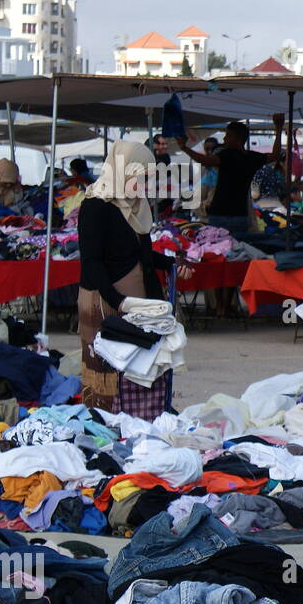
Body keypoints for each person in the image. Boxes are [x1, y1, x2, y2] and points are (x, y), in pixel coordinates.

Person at [78, 141, 192, 417]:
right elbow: (91, 262)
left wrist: (172, 263)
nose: (144, 183)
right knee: (109, 372)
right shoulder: (96, 206)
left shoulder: (135, 206)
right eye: (141, 176)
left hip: (136, 302)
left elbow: (140, 252)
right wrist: (118, 301)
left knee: (138, 366)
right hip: (105, 300)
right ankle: (107, 425)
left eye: (147, 177)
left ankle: (141, 417)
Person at [176, 114, 283, 237]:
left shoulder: (226, 155)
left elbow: (204, 160)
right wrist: (278, 129)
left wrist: (184, 148)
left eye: (228, 135)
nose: (225, 139)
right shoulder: (252, 157)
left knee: (218, 250)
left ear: (237, 139)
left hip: (220, 215)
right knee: (238, 250)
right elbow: (275, 155)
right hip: (240, 215)